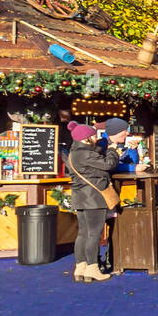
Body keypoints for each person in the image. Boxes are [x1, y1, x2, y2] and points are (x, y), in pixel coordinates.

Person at [68, 120, 123, 283]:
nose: (95, 139)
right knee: (94, 234)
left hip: (80, 198)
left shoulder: (75, 152)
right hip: (93, 199)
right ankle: (92, 268)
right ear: (86, 139)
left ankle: (81, 267)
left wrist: (105, 143)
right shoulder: (86, 154)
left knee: (83, 233)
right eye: (93, 136)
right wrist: (113, 150)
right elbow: (108, 164)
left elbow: (95, 151)